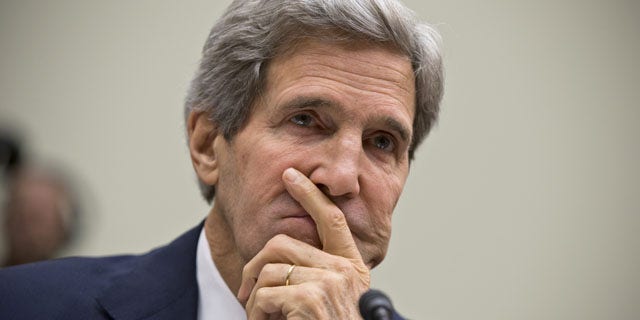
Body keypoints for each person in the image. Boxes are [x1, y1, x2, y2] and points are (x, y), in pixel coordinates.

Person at [0, 0, 443, 319]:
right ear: (208, 143)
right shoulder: (22, 305)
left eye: (382, 143)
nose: (344, 177)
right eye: (306, 120)